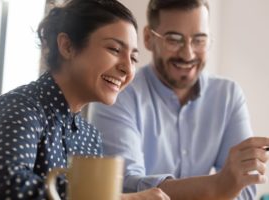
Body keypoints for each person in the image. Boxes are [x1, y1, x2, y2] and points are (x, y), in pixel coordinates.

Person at [0, 0, 170, 199]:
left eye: (133, 58)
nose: (127, 68)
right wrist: (119, 198)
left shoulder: (90, 137)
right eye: (115, 50)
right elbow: (5, 189)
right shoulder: (20, 107)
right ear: (67, 46)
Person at [88, 0, 269, 199]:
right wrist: (219, 185)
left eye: (199, 40)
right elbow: (125, 187)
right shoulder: (117, 93)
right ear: (148, 38)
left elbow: (244, 191)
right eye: (174, 39)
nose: (187, 54)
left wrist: (227, 184)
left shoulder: (228, 96)